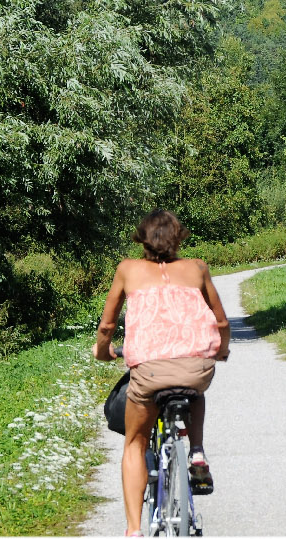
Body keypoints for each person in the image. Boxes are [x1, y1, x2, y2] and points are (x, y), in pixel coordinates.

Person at [93, 209, 231, 537]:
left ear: (141, 239)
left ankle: (132, 531)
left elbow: (108, 325)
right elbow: (221, 321)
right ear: (179, 237)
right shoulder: (197, 268)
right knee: (194, 388)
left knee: (135, 444)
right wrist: (221, 350)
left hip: (149, 374)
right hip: (196, 369)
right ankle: (196, 452)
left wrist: (103, 351)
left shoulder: (127, 269)